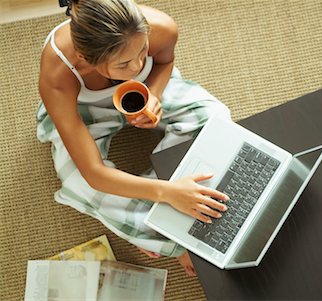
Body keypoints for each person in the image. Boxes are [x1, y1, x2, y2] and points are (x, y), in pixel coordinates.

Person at [37, 0, 230, 276]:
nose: (138, 63)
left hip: (146, 89)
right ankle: (172, 228)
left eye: (142, 50)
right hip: (85, 111)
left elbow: (164, 61)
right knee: (78, 182)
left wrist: (155, 94)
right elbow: (93, 173)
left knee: (216, 117)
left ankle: (154, 215)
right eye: (124, 63)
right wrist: (167, 191)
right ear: (83, 57)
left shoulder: (161, 28)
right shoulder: (57, 75)